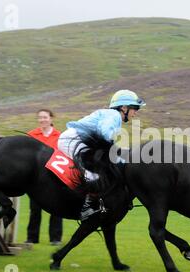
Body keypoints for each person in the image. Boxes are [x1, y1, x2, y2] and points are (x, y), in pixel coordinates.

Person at [58, 89, 145, 220]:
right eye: (134, 108)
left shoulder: (113, 116)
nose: (135, 113)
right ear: (124, 107)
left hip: (78, 139)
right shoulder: (114, 116)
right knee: (93, 173)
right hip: (73, 140)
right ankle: (85, 208)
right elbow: (105, 135)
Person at [26, 109, 63, 245]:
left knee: (57, 208)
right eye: (40, 117)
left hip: (54, 177)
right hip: (35, 178)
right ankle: (31, 238)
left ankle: (55, 239)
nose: (42, 120)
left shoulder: (60, 136)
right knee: (34, 209)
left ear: (51, 119)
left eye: (45, 117)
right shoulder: (31, 135)